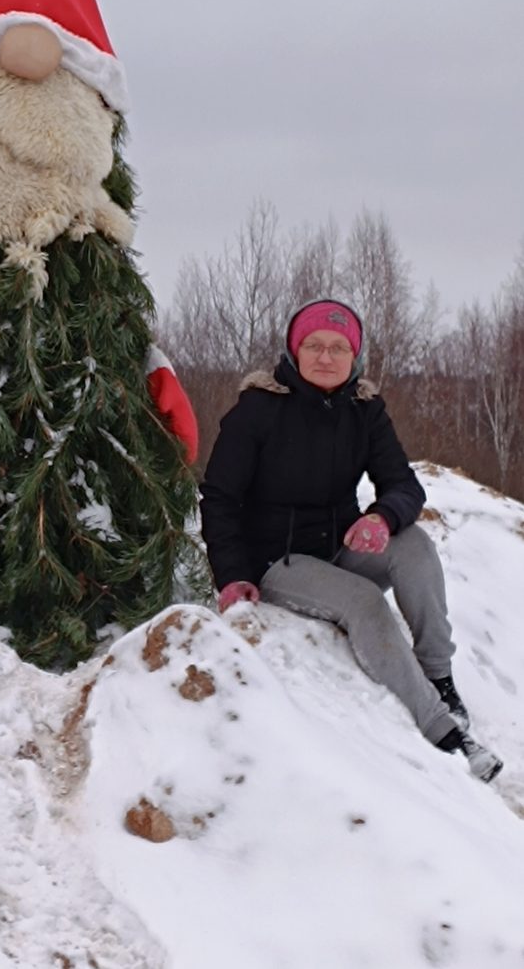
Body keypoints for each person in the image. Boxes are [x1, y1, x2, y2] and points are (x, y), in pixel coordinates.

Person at [200, 298, 502, 783]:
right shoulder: (258, 410)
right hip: (278, 559)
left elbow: (404, 485)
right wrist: (233, 576)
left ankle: (439, 676)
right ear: (294, 352)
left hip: (339, 546)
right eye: (314, 345)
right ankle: (444, 732)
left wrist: (382, 517)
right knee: (363, 601)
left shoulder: (365, 410)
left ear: (354, 356)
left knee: (415, 547)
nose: (325, 356)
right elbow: (218, 497)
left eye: (339, 347)